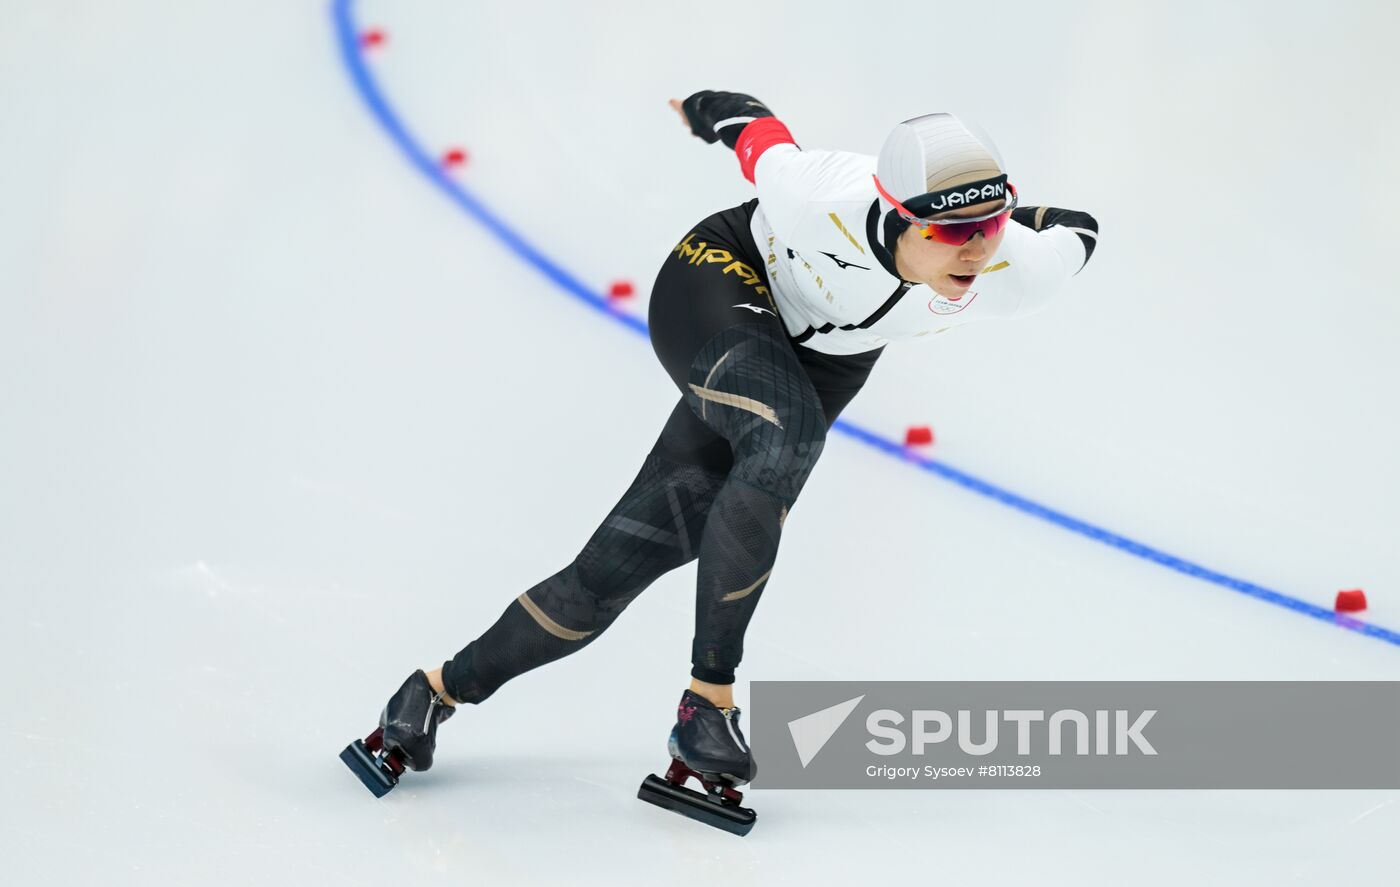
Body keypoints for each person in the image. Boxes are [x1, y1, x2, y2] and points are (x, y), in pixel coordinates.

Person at [341, 90, 1099, 823]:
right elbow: (754, 130)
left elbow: (1079, 228)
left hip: (826, 362)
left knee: (607, 574)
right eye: (947, 232)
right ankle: (709, 702)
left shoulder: (1013, 271)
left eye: (990, 226)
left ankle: (432, 691)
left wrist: (1019, 221)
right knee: (786, 437)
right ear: (893, 210)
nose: (973, 250)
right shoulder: (818, 194)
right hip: (724, 278)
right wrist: (703, 106)